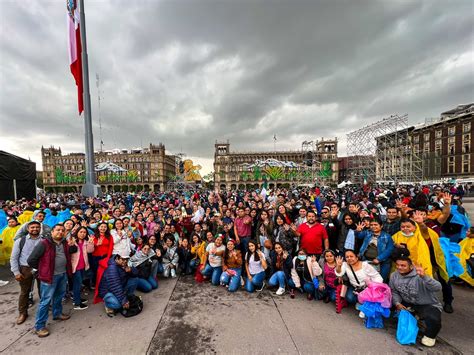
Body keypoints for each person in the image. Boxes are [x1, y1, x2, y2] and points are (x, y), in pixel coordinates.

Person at [27, 224, 76, 338]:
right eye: (58, 230)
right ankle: (40, 326)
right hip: (50, 277)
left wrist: (72, 245)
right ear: (52, 232)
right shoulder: (44, 243)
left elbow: (71, 252)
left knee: (59, 296)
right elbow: (31, 260)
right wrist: (43, 269)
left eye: (62, 231)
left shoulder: (64, 243)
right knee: (45, 301)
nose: (60, 232)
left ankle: (57, 314)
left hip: (62, 274)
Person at [390, 248, 443, 348]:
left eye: (403, 265)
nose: (399, 268)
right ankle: (408, 316)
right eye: (398, 265)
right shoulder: (394, 276)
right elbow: (394, 291)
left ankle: (430, 336)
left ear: (410, 266)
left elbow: (438, 287)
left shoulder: (420, 275)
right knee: (387, 302)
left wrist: (424, 277)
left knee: (433, 319)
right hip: (408, 303)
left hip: (427, 304)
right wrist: (397, 303)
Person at [10, 221, 44, 325]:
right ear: (28, 229)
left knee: (43, 290)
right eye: (32, 227)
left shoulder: (44, 240)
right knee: (25, 292)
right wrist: (16, 272)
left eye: (37, 227)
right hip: (25, 269)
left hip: (40, 268)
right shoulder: (20, 241)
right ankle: (22, 313)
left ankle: (44, 309)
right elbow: (14, 257)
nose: (35, 229)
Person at [335, 250, 383, 317]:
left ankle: (364, 303)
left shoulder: (365, 265)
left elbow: (377, 277)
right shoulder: (345, 265)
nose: (349, 258)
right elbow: (339, 273)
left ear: (357, 257)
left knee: (367, 300)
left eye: (351, 256)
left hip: (366, 288)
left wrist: (373, 287)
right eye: (347, 257)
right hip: (355, 287)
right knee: (349, 298)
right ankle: (360, 301)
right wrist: (338, 266)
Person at [97, 252, 139, 316]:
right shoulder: (112, 268)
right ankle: (107, 304)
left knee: (135, 280)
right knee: (118, 305)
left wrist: (130, 270)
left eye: (126, 259)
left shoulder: (124, 264)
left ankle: (127, 297)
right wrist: (124, 301)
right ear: (117, 258)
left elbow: (136, 273)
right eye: (123, 259)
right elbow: (115, 286)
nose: (125, 261)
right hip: (108, 291)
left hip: (120, 287)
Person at [70, 226, 94, 310]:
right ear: (77, 232)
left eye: (84, 232)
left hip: (83, 266)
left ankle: (77, 298)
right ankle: (77, 303)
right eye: (81, 232)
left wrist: (91, 243)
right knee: (77, 284)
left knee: (79, 284)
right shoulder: (72, 241)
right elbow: (70, 251)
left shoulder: (85, 242)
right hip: (75, 267)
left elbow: (90, 251)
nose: (83, 234)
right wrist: (71, 244)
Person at [89, 222, 114, 288]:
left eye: (105, 227)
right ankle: (95, 284)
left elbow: (110, 247)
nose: (103, 228)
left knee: (104, 272)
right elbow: (91, 247)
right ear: (98, 227)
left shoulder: (109, 236)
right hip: (95, 257)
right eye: (101, 226)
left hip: (105, 256)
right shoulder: (93, 236)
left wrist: (108, 257)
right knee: (96, 271)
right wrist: (96, 245)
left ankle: (102, 285)